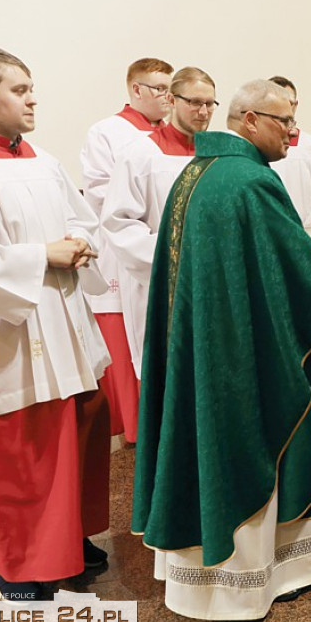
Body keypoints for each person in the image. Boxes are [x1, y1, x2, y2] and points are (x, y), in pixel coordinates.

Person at [131, 79, 311, 622]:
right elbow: (294, 262)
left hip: (202, 345)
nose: (295, 133)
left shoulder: (197, 173)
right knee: (253, 434)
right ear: (250, 120)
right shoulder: (250, 182)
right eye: (285, 122)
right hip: (236, 357)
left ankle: (200, 578)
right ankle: (242, 583)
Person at [0, 47, 111, 603]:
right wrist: (44, 254)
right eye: (19, 89)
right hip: (5, 336)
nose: (33, 97)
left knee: (75, 429)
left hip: (64, 325)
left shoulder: (41, 159)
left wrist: (81, 241)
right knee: (17, 453)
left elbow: (79, 216)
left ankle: (65, 538)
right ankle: (14, 566)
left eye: (31, 86)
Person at [100, 67, 217, 393]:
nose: (203, 111)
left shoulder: (218, 155)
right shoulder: (139, 155)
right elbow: (119, 222)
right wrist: (176, 254)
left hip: (211, 280)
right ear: (170, 99)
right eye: (194, 102)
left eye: (210, 103)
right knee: (169, 376)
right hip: (163, 280)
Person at [80, 57, 172, 442]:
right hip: (124, 251)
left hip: (165, 244)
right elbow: (100, 191)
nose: (169, 97)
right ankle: (136, 429)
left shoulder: (173, 135)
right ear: (136, 90)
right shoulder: (106, 132)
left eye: (172, 88)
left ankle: (167, 422)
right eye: (160, 89)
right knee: (125, 337)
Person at [268, 75, 311, 237]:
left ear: (295, 105)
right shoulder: (253, 145)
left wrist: (305, 235)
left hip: (303, 235)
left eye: (288, 102)